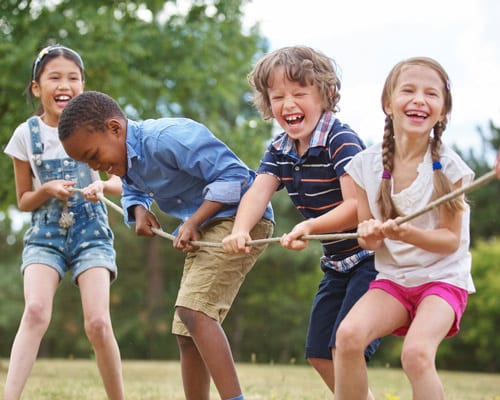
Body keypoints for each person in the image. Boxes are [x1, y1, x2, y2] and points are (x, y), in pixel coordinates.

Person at [58, 90, 274, 400]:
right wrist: (139, 210)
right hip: (208, 225)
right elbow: (133, 189)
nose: (100, 167)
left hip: (240, 219)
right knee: (186, 332)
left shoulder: (168, 138)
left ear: (115, 128)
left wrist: (193, 221)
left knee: (194, 312)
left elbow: (235, 176)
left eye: (94, 156)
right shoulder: (127, 161)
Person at [221, 46, 379, 398]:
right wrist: (240, 230)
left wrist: (309, 227)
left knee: (344, 346)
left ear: (325, 94)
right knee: (320, 354)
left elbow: (355, 206)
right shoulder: (279, 149)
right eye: (278, 96)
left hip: (373, 259)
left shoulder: (340, 140)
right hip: (338, 263)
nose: (288, 103)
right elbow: (257, 193)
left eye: (299, 93)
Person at [334, 57, 475, 400]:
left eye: (431, 94)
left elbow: (449, 241)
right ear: (388, 103)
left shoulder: (451, 169)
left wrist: (405, 234)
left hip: (442, 280)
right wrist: (370, 236)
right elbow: (369, 237)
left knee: (416, 354)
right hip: (394, 280)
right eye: (408, 90)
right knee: (348, 337)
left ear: (442, 112)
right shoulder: (364, 166)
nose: (419, 99)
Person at [3, 45, 124, 400]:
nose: (64, 84)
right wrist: (47, 190)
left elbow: (121, 181)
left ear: (83, 86)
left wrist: (102, 184)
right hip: (45, 234)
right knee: (36, 312)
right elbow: (24, 200)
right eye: (54, 77)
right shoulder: (26, 135)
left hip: (92, 233)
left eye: (73, 78)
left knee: (98, 323)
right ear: (37, 87)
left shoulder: (102, 127)